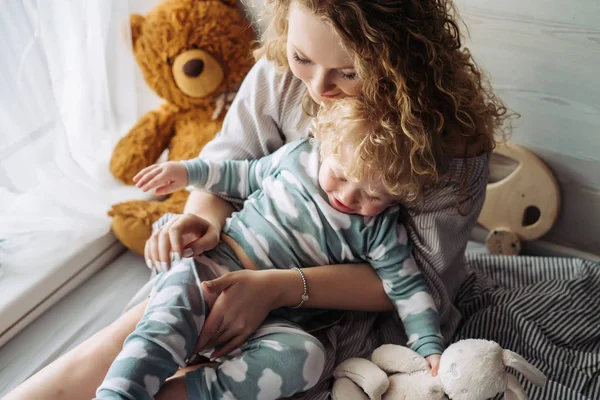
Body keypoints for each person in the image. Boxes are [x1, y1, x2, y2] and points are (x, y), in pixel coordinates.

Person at [4, 1, 508, 399]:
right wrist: (199, 222)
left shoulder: (445, 148)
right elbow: (228, 169)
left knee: (282, 364)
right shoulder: (282, 81)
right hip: (234, 261)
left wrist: (276, 289)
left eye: (348, 73)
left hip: (329, 306)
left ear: (399, 60)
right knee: (137, 333)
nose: (316, 85)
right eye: (302, 57)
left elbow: (415, 285)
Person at [94, 98, 444, 399]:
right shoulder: (296, 160)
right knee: (164, 326)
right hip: (212, 269)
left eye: (373, 195)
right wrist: (187, 173)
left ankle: (185, 392)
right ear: (328, 144)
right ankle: (121, 392)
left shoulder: (381, 229)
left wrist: (428, 344)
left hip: (273, 315)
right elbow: (239, 175)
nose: (349, 196)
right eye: (341, 174)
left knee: (307, 358)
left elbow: (408, 289)